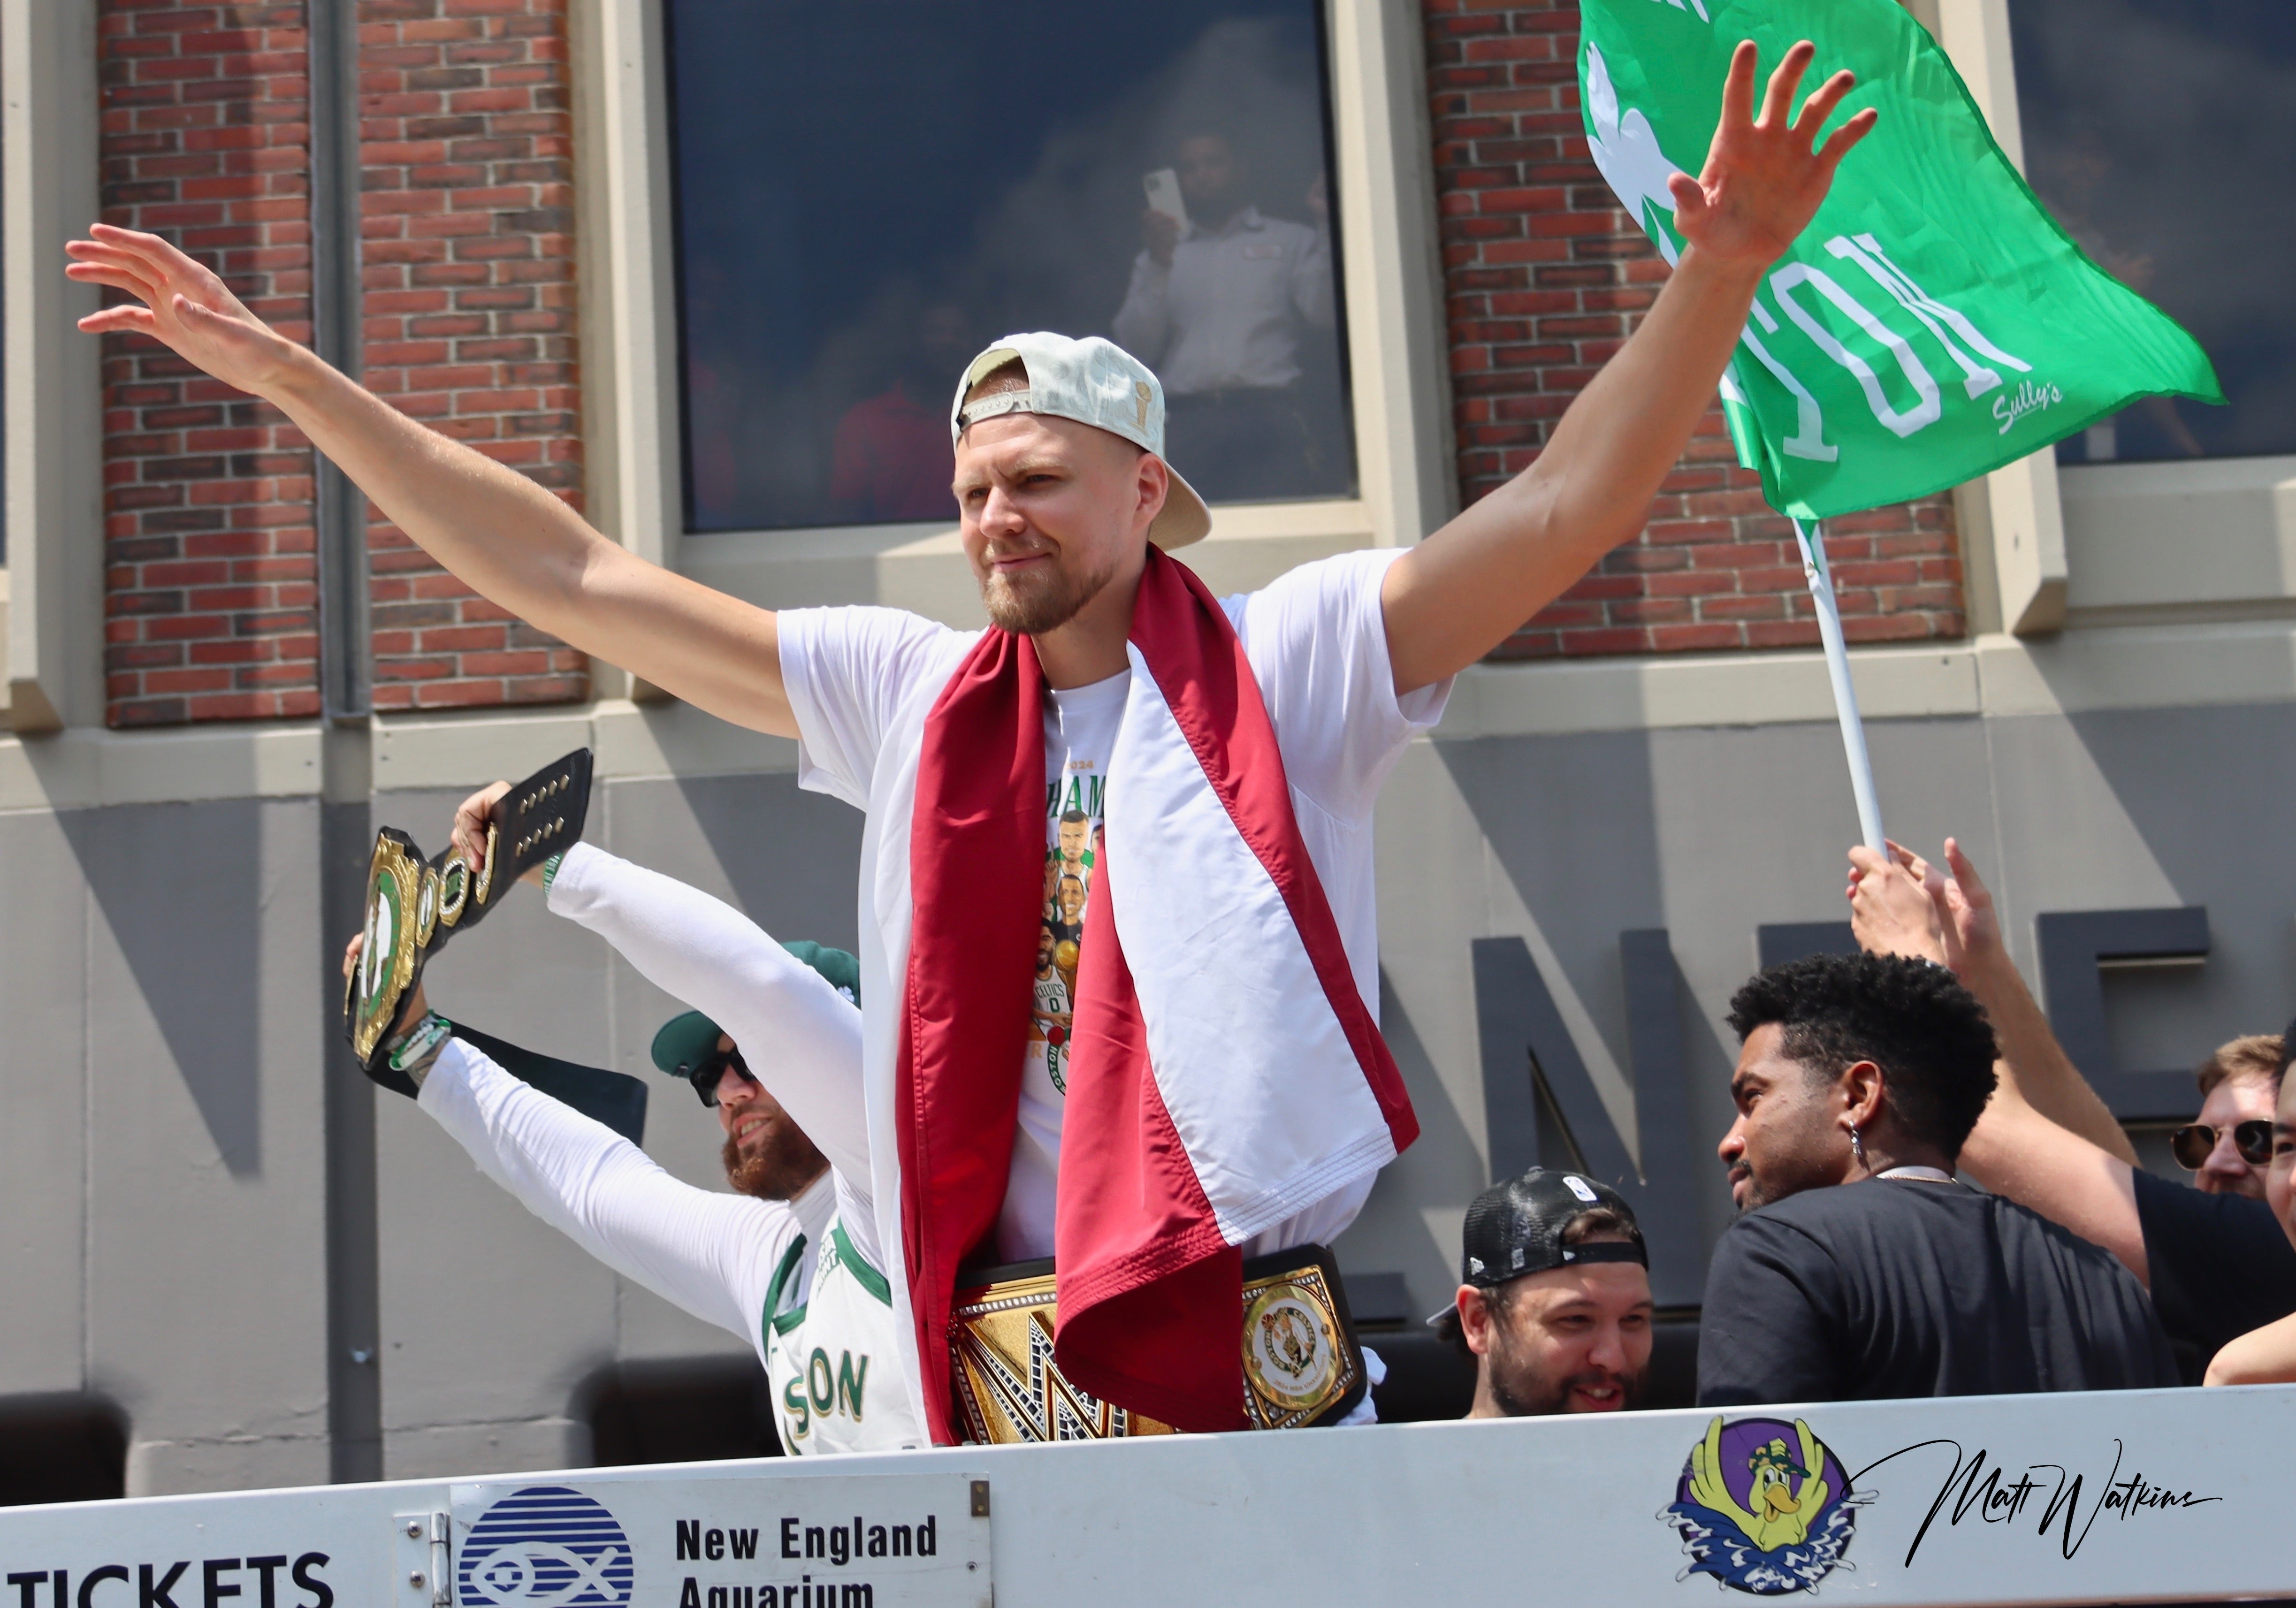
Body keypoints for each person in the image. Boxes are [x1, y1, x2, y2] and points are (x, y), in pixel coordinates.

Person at [68, 38, 1879, 1443]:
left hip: (1240, 1342)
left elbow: (1561, 506)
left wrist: (1713, 271)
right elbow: (577, 569)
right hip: (990, 1359)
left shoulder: (1293, 659)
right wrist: (297, 383)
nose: (990, 515)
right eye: (967, 489)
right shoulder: (910, 693)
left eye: (1031, 481)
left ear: (1145, 489)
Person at [356, 808, 924, 1456]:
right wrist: (421, 1048)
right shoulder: (775, 1257)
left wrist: (548, 858)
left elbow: (768, 989)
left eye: (754, 1060)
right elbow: (592, 1184)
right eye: (711, 1073)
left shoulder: (898, 1189)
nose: (731, 1090)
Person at [1846, 838, 2296, 1384]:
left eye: (2263, 1140)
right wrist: (1982, 968)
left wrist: (1910, 956)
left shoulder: (2265, 1247)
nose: (2219, 1163)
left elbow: (1989, 1132)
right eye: (2200, 1141)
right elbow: (2097, 1173)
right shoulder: (2228, 1258)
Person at [1699, 951, 2178, 1406]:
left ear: (1859, 1096)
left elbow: (1752, 1482)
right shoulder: (2109, 1281)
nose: (1731, 1141)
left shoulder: (1774, 1250)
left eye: (1754, 1099)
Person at [1112, 131, 1335, 500]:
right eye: (1190, 167)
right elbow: (1135, 348)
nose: (1202, 175)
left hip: (1267, 416)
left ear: (1240, 168)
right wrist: (1158, 262)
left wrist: (1325, 222)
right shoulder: (1161, 255)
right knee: (1189, 541)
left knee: (1278, 525)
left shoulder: (1290, 239)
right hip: (1188, 423)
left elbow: (1324, 313)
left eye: (1213, 162)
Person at [1434, 1168, 1653, 1416]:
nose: (1613, 1359)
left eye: (1633, 1319)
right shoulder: (1408, 1456)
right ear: (1479, 1321)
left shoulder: (1690, 1454)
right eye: (1576, 1319)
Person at [829, 303, 976, 523]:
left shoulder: (988, 416)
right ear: (912, 343)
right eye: (935, 332)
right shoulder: (866, 421)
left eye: (959, 333)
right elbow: (846, 513)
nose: (949, 342)